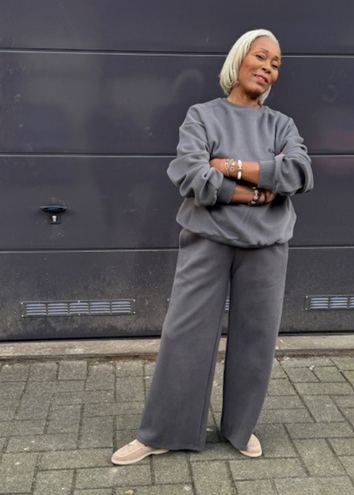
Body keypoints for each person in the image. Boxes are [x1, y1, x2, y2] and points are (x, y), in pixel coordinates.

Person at [111, 28, 313, 465]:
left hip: (267, 245)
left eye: (276, 63)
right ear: (239, 60)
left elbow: (298, 173)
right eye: (260, 57)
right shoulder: (202, 116)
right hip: (207, 240)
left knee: (256, 339)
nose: (268, 67)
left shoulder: (282, 124)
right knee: (185, 334)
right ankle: (163, 432)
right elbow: (191, 173)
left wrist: (230, 166)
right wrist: (258, 188)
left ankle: (240, 427)